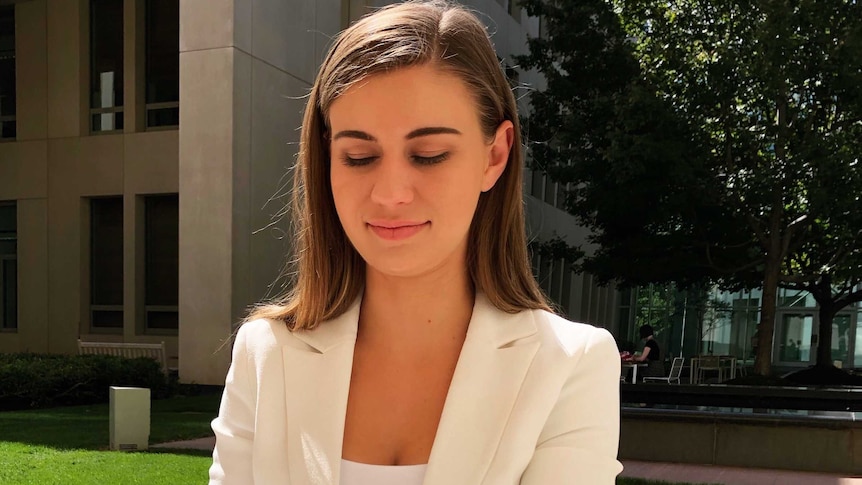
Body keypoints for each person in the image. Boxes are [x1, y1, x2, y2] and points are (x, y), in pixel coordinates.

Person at [208, 2, 622, 484]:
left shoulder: (568, 366)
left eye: (429, 155)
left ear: (495, 155)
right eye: (359, 157)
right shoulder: (266, 354)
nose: (390, 194)